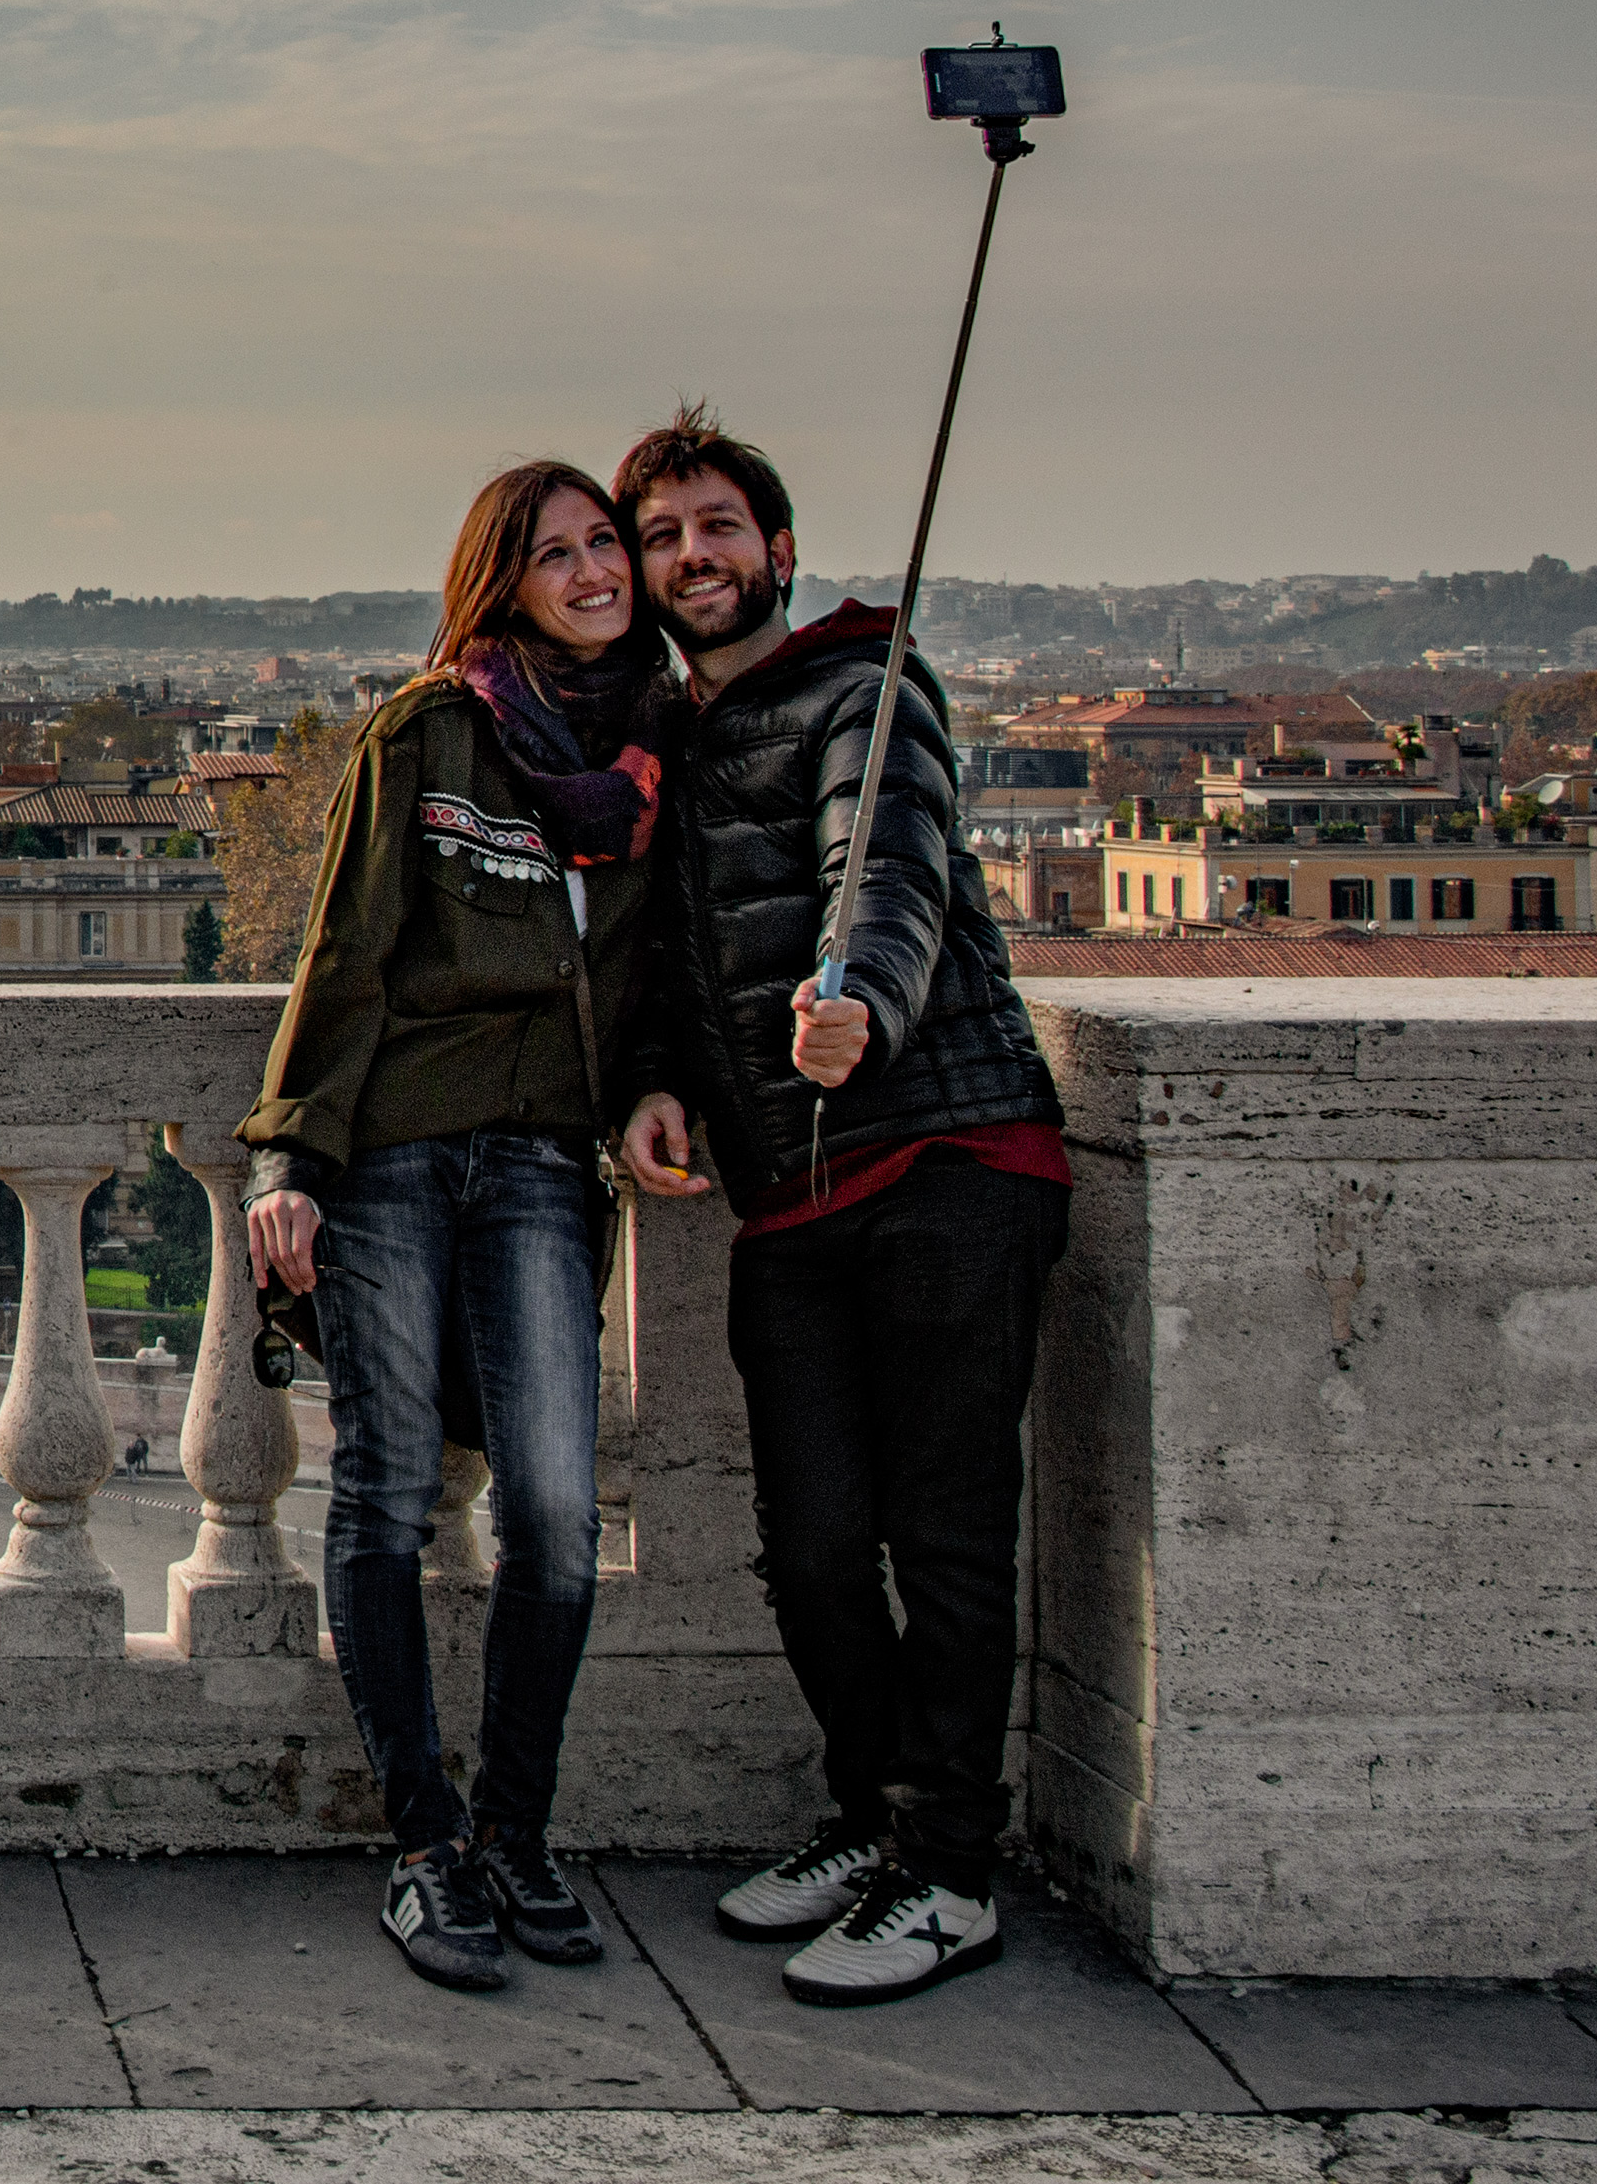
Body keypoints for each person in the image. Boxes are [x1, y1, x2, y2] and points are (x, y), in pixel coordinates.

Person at [609, 404, 1069, 2007]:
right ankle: (875, 1818)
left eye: (717, 527)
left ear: (778, 550)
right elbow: (672, 955)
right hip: (792, 1194)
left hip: (948, 1157)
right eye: (661, 535)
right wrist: (655, 1076)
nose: (690, 556)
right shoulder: (665, 739)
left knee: (943, 1533)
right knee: (809, 1547)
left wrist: (860, 996)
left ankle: (949, 1871)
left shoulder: (869, 689)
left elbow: (890, 870)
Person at [237, 461, 674, 1994]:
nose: (594, 569)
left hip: (548, 1162)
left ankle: (518, 1834)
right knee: (390, 1488)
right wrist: (288, 1156)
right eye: (556, 552)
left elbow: (660, 977)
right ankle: (427, 1846)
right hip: (400, 1157)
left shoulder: (651, 762)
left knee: (556, 1510)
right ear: (502, 579)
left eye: (604, 544)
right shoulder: (426, 731)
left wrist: (658, 1088)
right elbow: (344, 954)